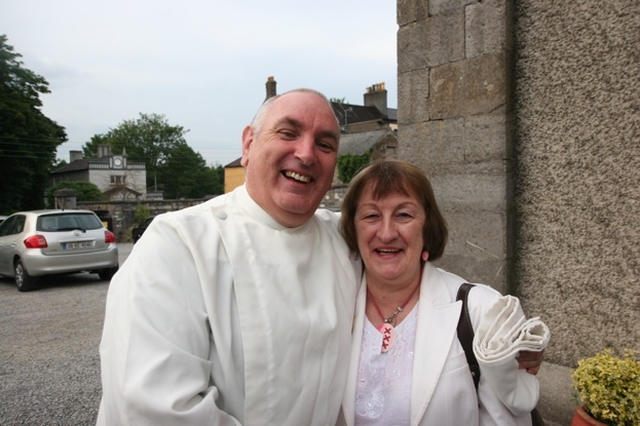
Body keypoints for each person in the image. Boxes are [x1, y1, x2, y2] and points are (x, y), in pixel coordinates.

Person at [97, 89, 361, 425]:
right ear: (249, 144)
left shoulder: (347, 240)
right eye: (288, 133)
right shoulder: (178, 244)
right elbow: (152, 407)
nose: (307, 154)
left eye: (325, 144)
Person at [337, 160, 548, 426]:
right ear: (353, 228)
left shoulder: (481, 311)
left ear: (427, 226)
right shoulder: (333, 302)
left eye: (404, 215)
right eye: (371, 216)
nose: (387, 233)